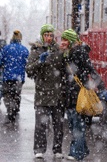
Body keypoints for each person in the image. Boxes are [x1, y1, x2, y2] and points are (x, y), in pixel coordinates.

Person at [60, 29, 107, 161]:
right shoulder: (68, 53)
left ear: (71, 41)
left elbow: (91, 70)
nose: (62, 42)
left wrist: (102, 88)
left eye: (65, 40)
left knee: (77, 125)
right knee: (74, 125)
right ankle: (81, 150)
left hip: (78, 94)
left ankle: (76, 153)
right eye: (62, 39)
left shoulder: (79, 53)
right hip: (71, 94)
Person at [25, 24, 65, 159]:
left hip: (57, 94)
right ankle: (39, 149)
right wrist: (39, 62)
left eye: (51, 35)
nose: (49, 38)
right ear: (42, 36)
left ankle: (57, 149)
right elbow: (29, 70)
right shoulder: (36, 50)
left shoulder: (58, 50)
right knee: (41, 124)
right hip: (42, 94)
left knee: (58, 124)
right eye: (46, 35)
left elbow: (65, 68)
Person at [0, 30, 29, 122]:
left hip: (7, 76)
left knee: (7, 94)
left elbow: (1, 61)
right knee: (16, 94)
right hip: (19, 77)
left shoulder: (6, 49)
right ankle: (15, 109)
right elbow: (27, 63)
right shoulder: (24, 50)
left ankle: (10, 110)